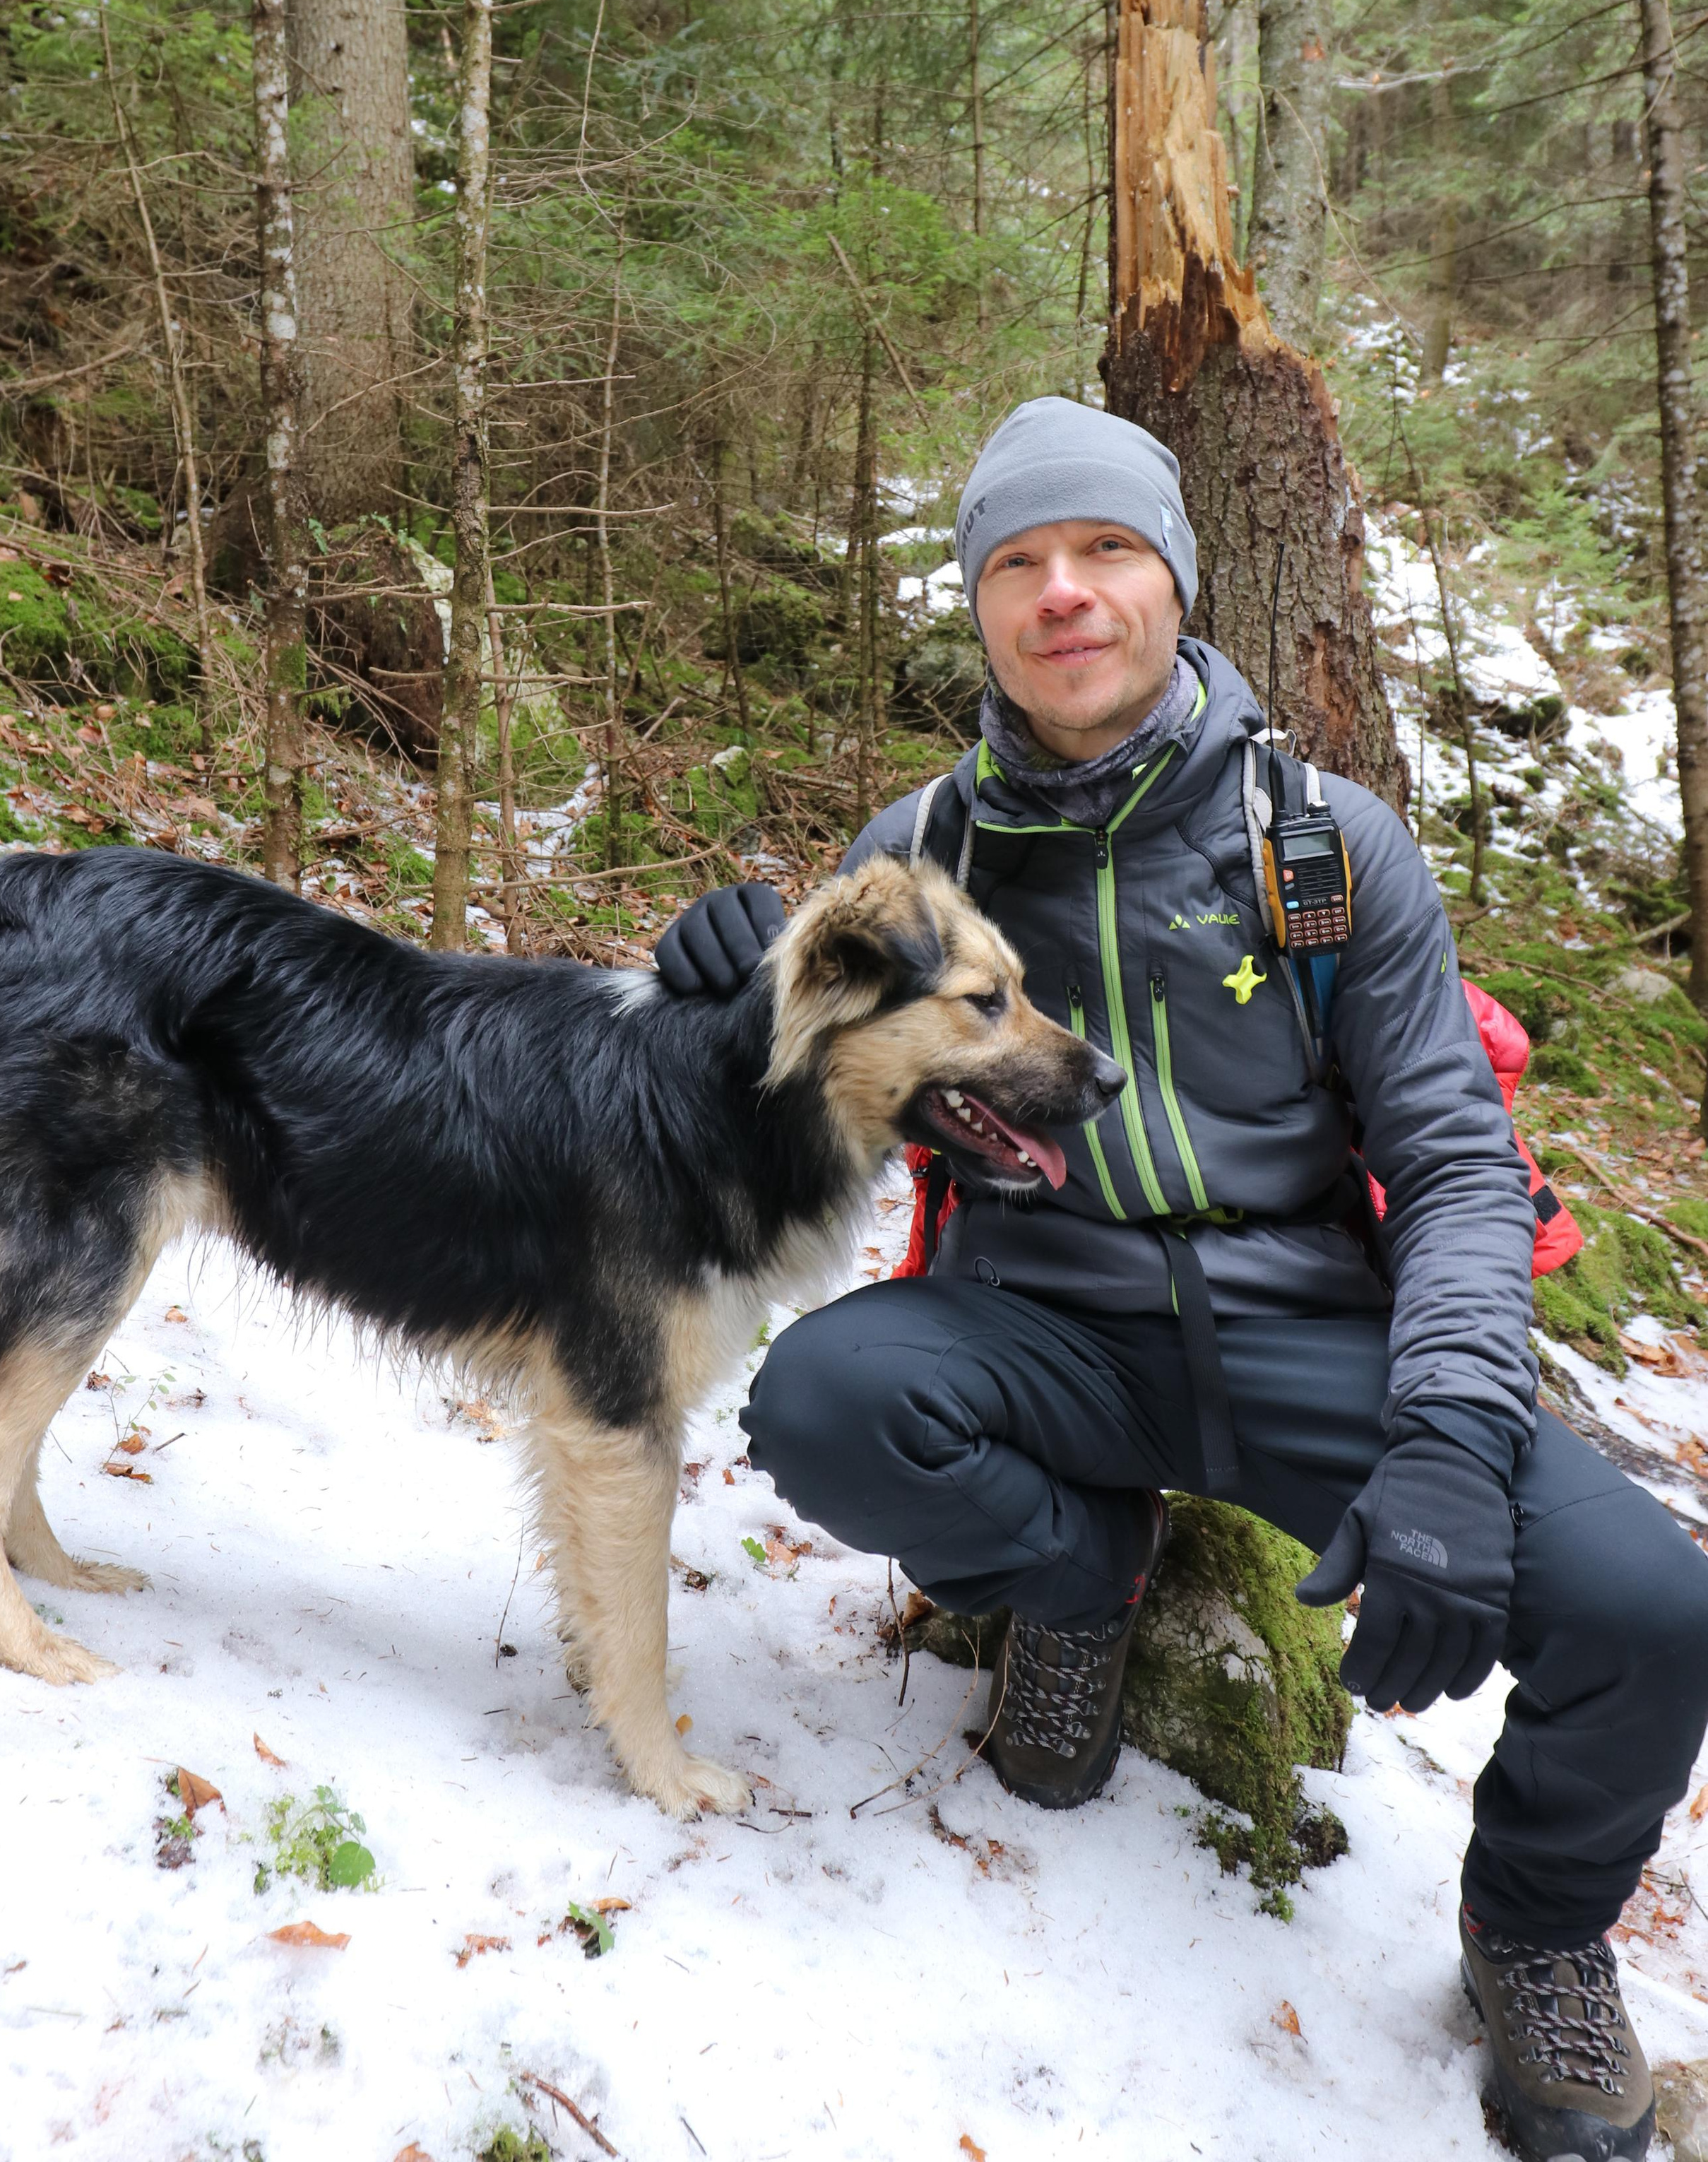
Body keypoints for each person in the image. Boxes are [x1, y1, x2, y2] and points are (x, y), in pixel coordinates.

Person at [654, 397, 1708, 2162]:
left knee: (1652, 1610)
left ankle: (1531, 1930)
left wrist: (1451, 1439)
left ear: (1175, 580)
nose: (1061, 593)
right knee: (825, 1406)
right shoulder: (921, 854)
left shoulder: (1323, 843)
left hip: (1310, 1337)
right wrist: (715, 993)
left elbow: (1455, 1164)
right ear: (980, 606)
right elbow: (806, 1116)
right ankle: (1079, 1579)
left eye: (1104, 551)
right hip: (1038, 1328)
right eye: (1015, 562)